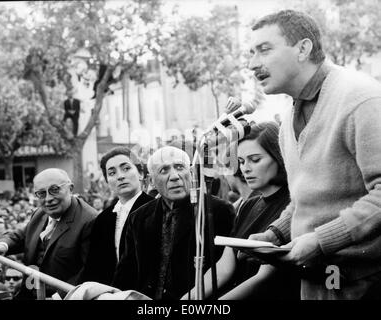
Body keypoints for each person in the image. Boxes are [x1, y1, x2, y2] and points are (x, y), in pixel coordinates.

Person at [247, 9, 381, 299]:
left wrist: (321, 240)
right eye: (251, 53)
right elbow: (306, 199)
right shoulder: (287, 119)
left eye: (264, 50)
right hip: (319, 280)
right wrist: (275, 234)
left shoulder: (362, 99)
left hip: (363, 282)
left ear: (303, 49)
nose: (252, 63)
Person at [183, 122, 298, 299]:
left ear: (279, 155)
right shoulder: (249, 205)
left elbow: (263, 278)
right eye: (242, 161)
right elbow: (224, 268)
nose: (245, 168)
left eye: (255, 159)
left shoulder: (294, 204)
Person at [111, 146, 235, 299]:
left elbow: (227, 270)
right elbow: (126, 272)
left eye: (179, 167)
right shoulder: (138, 218)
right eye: (164, 170)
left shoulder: (216, 211)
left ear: (190, 173)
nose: (175, 176)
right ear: (152, 181)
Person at [0, 168, 97, 299]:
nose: (48, 199)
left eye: (55, 190)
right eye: (41, 193)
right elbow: (21, 235)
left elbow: (90, 271)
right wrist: (2, 245)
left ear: (71, 188)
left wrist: (57, 297)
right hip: (29, 292)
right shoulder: (40, 212)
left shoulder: (90, 220)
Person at [82, 147, 154, 285]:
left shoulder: (154, 209)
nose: (120, 176)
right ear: (108, 181)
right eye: (112, 173)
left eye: (126, 168)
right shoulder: (103, 218)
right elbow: (94, 266)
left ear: (140, 173)